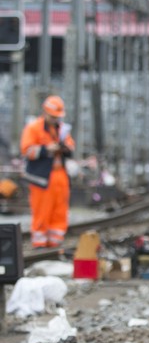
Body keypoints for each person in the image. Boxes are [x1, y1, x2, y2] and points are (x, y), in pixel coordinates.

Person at [20, 95, 75, 248]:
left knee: (60, 210)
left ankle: (55, 242)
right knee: (42, 211)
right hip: (41, 177)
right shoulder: (33, 128)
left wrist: (64, 147)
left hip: (60, 175)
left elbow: (71, 146)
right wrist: (46, 149)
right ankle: (39, 243)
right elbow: (27, 150)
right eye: (53, 116)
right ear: (45, 113)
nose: (56, 119)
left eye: (58, 117)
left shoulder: (62, 129)